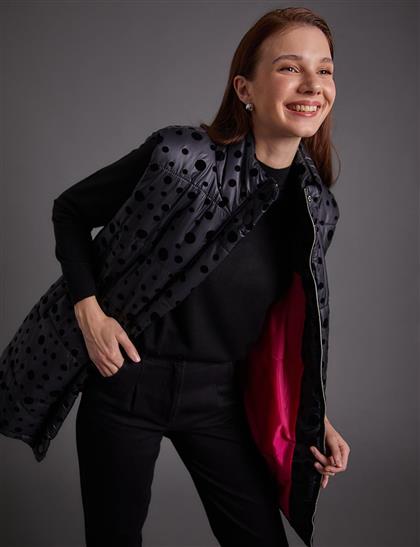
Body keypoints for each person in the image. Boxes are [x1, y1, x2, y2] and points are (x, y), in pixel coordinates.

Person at [51, 7, 350, 547]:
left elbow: (280, 332)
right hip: (127, 383)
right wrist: (89, 313)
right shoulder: (179, 157)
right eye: (290, 67)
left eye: (324, 70)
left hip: (221, 398)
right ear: (245, 88)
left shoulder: (316, 209)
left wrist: (312, 414)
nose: (312, 85)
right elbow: (70, 210)